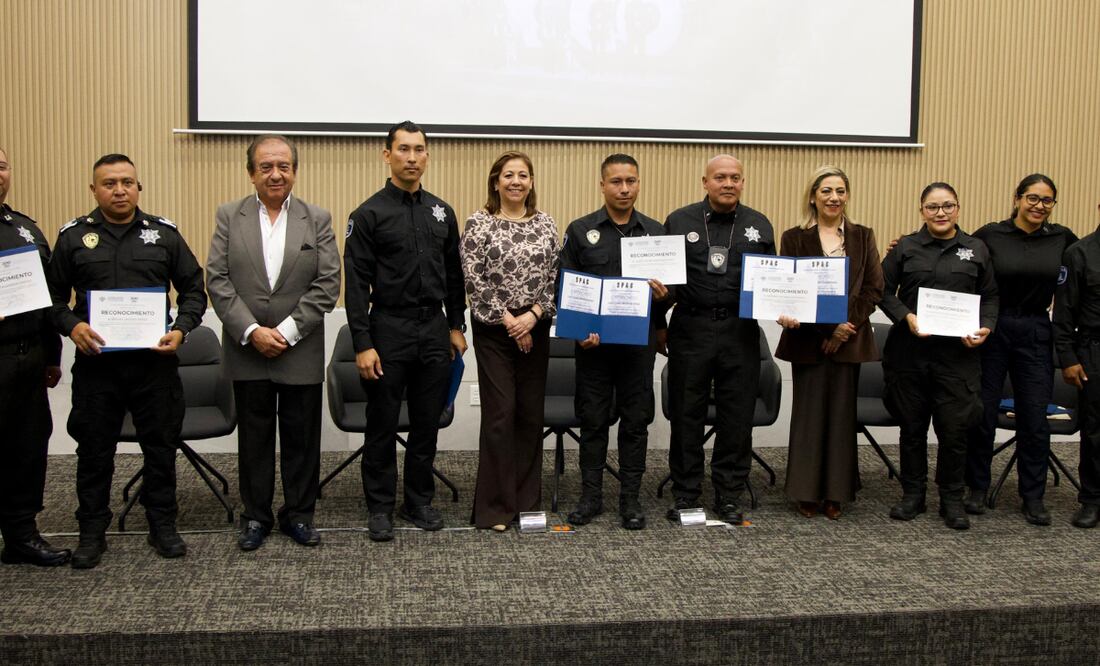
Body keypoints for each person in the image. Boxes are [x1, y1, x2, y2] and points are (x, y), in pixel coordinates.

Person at [47, 154, 207, 568]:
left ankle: (162, 526)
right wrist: (72, 326)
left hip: (154, 367)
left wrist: (182, 328)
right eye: (109, 183)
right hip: (98, 366)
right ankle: (91, 533)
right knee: (94, 451)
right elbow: (50, 298)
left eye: (127, 182)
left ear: (139, 187)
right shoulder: (73, 238)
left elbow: (193, 289)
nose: (120, 190)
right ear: (94, 189)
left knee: (160, 448)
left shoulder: (164, 235)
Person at [206, 135, 340, 550]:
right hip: (248, 348)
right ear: (251, 173)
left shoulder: (316, 218)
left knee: (302, 439)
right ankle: (256, 517)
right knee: (254, 439)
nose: (275, 173)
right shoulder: (230, 215)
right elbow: (218, 280)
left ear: (294, 171)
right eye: (266, 166)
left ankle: (299, 515)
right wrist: (252, 331)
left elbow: (328, 283)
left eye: (283, 166)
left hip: (298, 348)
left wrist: (285, 332)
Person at [344, 121, 468, 542]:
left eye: (419, 150)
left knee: (426, 423)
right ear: (387, 155)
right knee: (380, 424)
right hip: (388, 328)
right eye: (403, 150)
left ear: (427, 156)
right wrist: (363, 343)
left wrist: (456, 324)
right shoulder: (368, 214)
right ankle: (379, 507)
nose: (412, 158)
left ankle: (418, 500)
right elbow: (356, 286)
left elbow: (454, 275)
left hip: (434, 329)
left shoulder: (441, 212)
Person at [663, 154, 775, 525]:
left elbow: (773, 283)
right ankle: (686, 492)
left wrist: (786, 307)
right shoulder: (679, 221)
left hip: (739, 330)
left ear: (743, 182)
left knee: (736, 415)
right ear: (705, 181)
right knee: (686, 412)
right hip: (690, 327)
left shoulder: (759, 225)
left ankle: (729, 493)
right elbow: (665, 279)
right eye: (721, 177)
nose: (729, 184)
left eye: (736, 178)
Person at [559, 154, 669, 530]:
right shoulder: (580, 231)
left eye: (631, 181)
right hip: (594, 349)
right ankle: (590, 498)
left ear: (639, 184)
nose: (624, 188)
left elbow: (673, 295)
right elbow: (567, 290)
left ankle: (630, 499)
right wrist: (578, 332)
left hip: (638, 349)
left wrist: (663, 296)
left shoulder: (656, 234)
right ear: (602, 185)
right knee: (593, 422)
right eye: (616, 181)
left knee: (636, 423)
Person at [879, 182, 997, 530]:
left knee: (954, 431)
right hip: (909, 355)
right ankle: (912, 495)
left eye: (947, 206)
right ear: (922, 211)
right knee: (912, 428)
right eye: (933, 207)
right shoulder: (905, 248)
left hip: (957, 358)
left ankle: (951, 499)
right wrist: (906, 316)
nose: (941, 213)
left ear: (958, 209)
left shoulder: (976, 249)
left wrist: (986, 326)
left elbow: (990, 296)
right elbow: (882, 291)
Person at [965, 174, 1078, 526]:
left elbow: (1086, 265)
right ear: (1017, 199)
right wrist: (902, 247)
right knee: (982, 413)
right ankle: (976, 488)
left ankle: (1033, 496)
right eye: (1032, 198)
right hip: (994, 329)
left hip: (1035, 330)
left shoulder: (1062, 238)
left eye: (1047, 200)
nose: (1039, 206)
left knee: (1034, 417)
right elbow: (958, 257)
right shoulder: (990, 234)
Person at [774, 166, 883, 520]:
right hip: (808, 341)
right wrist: (826, 331)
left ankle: (836, 493)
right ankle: (806, 492)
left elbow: (873, 288)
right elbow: (790, 288)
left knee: (840, 417)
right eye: (825, 191)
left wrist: (845, 327)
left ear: (847, 196)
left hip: (849, 339)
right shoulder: (794, 237)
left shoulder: (863, 237)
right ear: (813, 196)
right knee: (808, 417)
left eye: (840, 190)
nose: (833, 197)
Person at [461, 151, 559, 531]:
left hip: (536, 326)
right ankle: (496, 508)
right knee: (501, 415)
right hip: (494, 329)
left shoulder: (547, 224)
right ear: (496, 181)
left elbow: (554, 276)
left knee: (530, 416)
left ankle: (526, 504)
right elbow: (473, 277)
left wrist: (532, 317)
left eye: (523, 175)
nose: (516, 181)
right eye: (508, 175)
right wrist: (510, 322)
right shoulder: (479, 222)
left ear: (531, 182)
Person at [0, 147, 70, 566]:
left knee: (26, 447)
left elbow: (48, 299)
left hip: (27, 357)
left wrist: (52, 355)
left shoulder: (24, 229)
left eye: (2, 165)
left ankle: (21, 535)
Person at [1052, 201, 1100, 529]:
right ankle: (1091, 500)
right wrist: (1068, 358)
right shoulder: (1080, 253)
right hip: (1094, 348)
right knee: (1095, 431)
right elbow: (1065, 311)